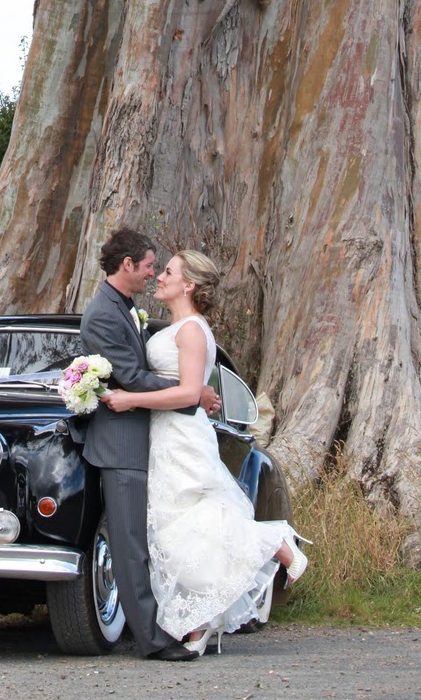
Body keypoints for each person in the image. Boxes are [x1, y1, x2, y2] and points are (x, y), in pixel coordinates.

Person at [101, 249, 307, 654]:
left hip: (182, 434)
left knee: (196, 520)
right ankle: (198, 622)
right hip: (163, 434)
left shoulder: (193, 330)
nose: (160, 277)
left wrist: (130, 399)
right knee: (174, 531)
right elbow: (188, 386)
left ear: (188, 285)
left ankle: (278, 544)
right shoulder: (175, 328)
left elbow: (187, 393)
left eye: (169, 272)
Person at [79, 227, 221, 661]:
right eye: (147, 266)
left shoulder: (123, 306)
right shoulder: (103, 313)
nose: (152, 273)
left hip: (143, 439)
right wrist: (192, 392)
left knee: (147, 540)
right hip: (120, 442)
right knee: (129, 545)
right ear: (127, 265)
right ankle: (152, 641)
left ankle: (167, 624)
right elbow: (131, 378)